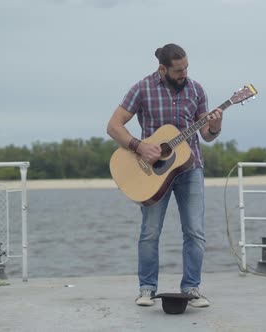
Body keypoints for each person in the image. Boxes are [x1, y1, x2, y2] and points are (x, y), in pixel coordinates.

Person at [106, 43, 223, 308]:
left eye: (186, 68)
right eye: (178, 70)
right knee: (150, 231)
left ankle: (192, 288)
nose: (184, 74)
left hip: (190, 168)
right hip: (152, 173)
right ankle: (147, 289)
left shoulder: (196, 90)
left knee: (195, 231)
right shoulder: (142, 88)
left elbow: (206, 135)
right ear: (163, 69)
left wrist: (215, 126)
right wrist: (139, 146)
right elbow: (113, 126)